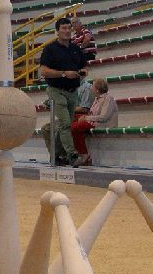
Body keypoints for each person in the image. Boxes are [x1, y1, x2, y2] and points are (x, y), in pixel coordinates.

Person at [38, 17, 88, 165]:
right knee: (66, 123)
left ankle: (57, 155)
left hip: (73, 91)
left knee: (63, 125)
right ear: (57, 31)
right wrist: (64, 73)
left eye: (68, 28)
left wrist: (83, 71)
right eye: (63, 28)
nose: (67, 31)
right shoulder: (50, 49)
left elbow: (84, 66)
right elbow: (44, 71)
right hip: (56, 90)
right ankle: (72, 155)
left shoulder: (75, 49)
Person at [68, 77, 118, 167]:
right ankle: (76, 153)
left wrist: (86, 118)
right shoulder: (96, 98)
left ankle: (83, 154)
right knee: (71, 123)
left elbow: (103, 117)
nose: (91, 88)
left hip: (101, 123)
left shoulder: (108, 98)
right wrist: (85, 117)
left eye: (93, 86)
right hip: (93, 121)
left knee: (74, 127)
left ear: (97, 90)